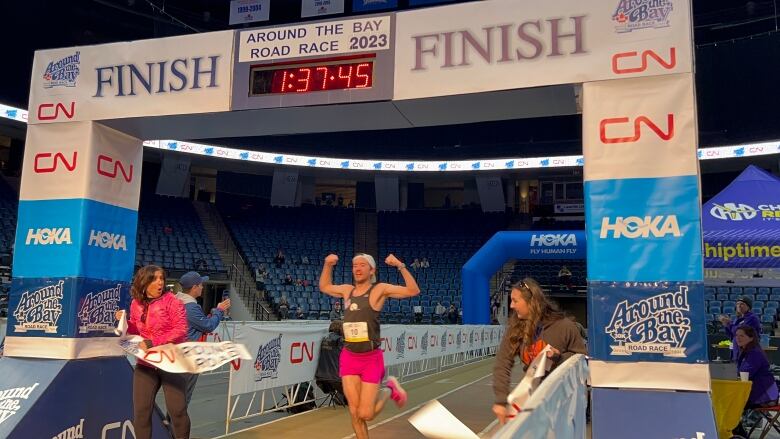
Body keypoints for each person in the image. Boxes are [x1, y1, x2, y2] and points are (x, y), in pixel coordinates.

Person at [319, 253, 420, 439]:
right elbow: (324, 286)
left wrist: (400, 265)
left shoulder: (378, 289)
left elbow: (413, 291)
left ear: (371, 270)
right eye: (354, 265)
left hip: (370, 359)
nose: (357, 268)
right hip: (349, 356)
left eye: (362, 265)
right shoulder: (347, 290)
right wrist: (327, 265)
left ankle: (389, 389)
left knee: (367, 414)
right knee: (355, 413)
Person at [492, 278, 587, 425]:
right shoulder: (515, 328)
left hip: (564, 402)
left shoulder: (565, 326)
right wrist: (500, 400)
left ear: (532, 302)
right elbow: (503, 363)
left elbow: (582, 361)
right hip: (533, 400)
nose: (511, 305)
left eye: (515, 301)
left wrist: (559, 358)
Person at [117, 265, 190, 439]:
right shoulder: (136, 303)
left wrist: (153, 342)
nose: (160, 282)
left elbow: (181, 330)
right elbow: (136, 329)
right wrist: (124, 322)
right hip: (146, 364)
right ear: (144, 281)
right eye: (155, 279)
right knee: (141, 413)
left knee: (177, 412)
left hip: (171, 362)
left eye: (162, 278)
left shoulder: (173, 301)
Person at [175, 271, 231, 406]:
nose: (202, 287)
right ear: (194, 287)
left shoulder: (177, 303)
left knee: (177, 397)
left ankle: (171, 423)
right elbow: (208, 326)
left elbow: (199, 323)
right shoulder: (191, 307)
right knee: (182, 399)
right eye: (200, 285)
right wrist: (219, 311)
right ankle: (175, 426)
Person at [732, 325, 780, 437]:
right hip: (755, 391)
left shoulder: (755, 353)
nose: (738, 338)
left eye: (742, 336)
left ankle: (737, 431)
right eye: (737, 336)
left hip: (765, 395)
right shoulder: (744, 351)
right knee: (732, 400)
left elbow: (745, 372)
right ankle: (736, 429)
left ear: (751, 338)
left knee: (732, 402)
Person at [720, 296, 762, 361]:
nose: (739, 306)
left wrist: (729, 323)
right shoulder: (737, 319)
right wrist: (726, 325)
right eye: (737, 304)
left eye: (742, 304)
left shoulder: (752, 318)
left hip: (747, 351)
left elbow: (739, 332)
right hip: (737, 351)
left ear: (748, 307)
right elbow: (732, 335)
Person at [315, 320, 348, 406]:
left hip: (321, 378)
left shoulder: (324, 339)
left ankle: (341, 397)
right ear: (340, 329)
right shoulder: (340, 341)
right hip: (336, 378)